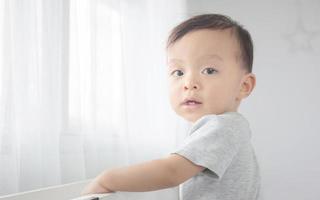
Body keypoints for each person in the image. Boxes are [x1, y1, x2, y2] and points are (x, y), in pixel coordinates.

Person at [82, 13, 261, 200]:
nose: (189, 82)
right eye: (178, 72)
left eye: (209, 70)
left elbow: (172, 171)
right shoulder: (231, 129)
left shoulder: (222, 127)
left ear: (244, 86)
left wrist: (107, 179)